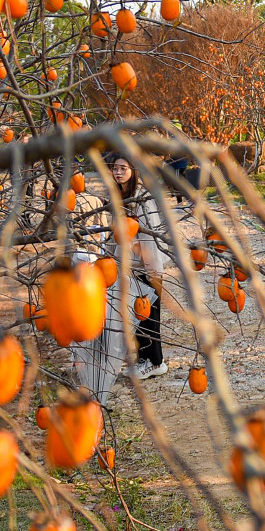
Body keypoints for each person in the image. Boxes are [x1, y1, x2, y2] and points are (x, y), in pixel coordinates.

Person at [107, 155, 170, 379]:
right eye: (115, 168)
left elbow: (150, 235)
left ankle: (156, 362)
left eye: (123, 168)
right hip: (130, 267)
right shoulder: (119, 197)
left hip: (145, 266)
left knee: (149, 316)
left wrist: (153, 271)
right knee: (137, 315)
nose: (118, 172)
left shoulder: (142, 198)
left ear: (133, 170)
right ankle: (144, 359)